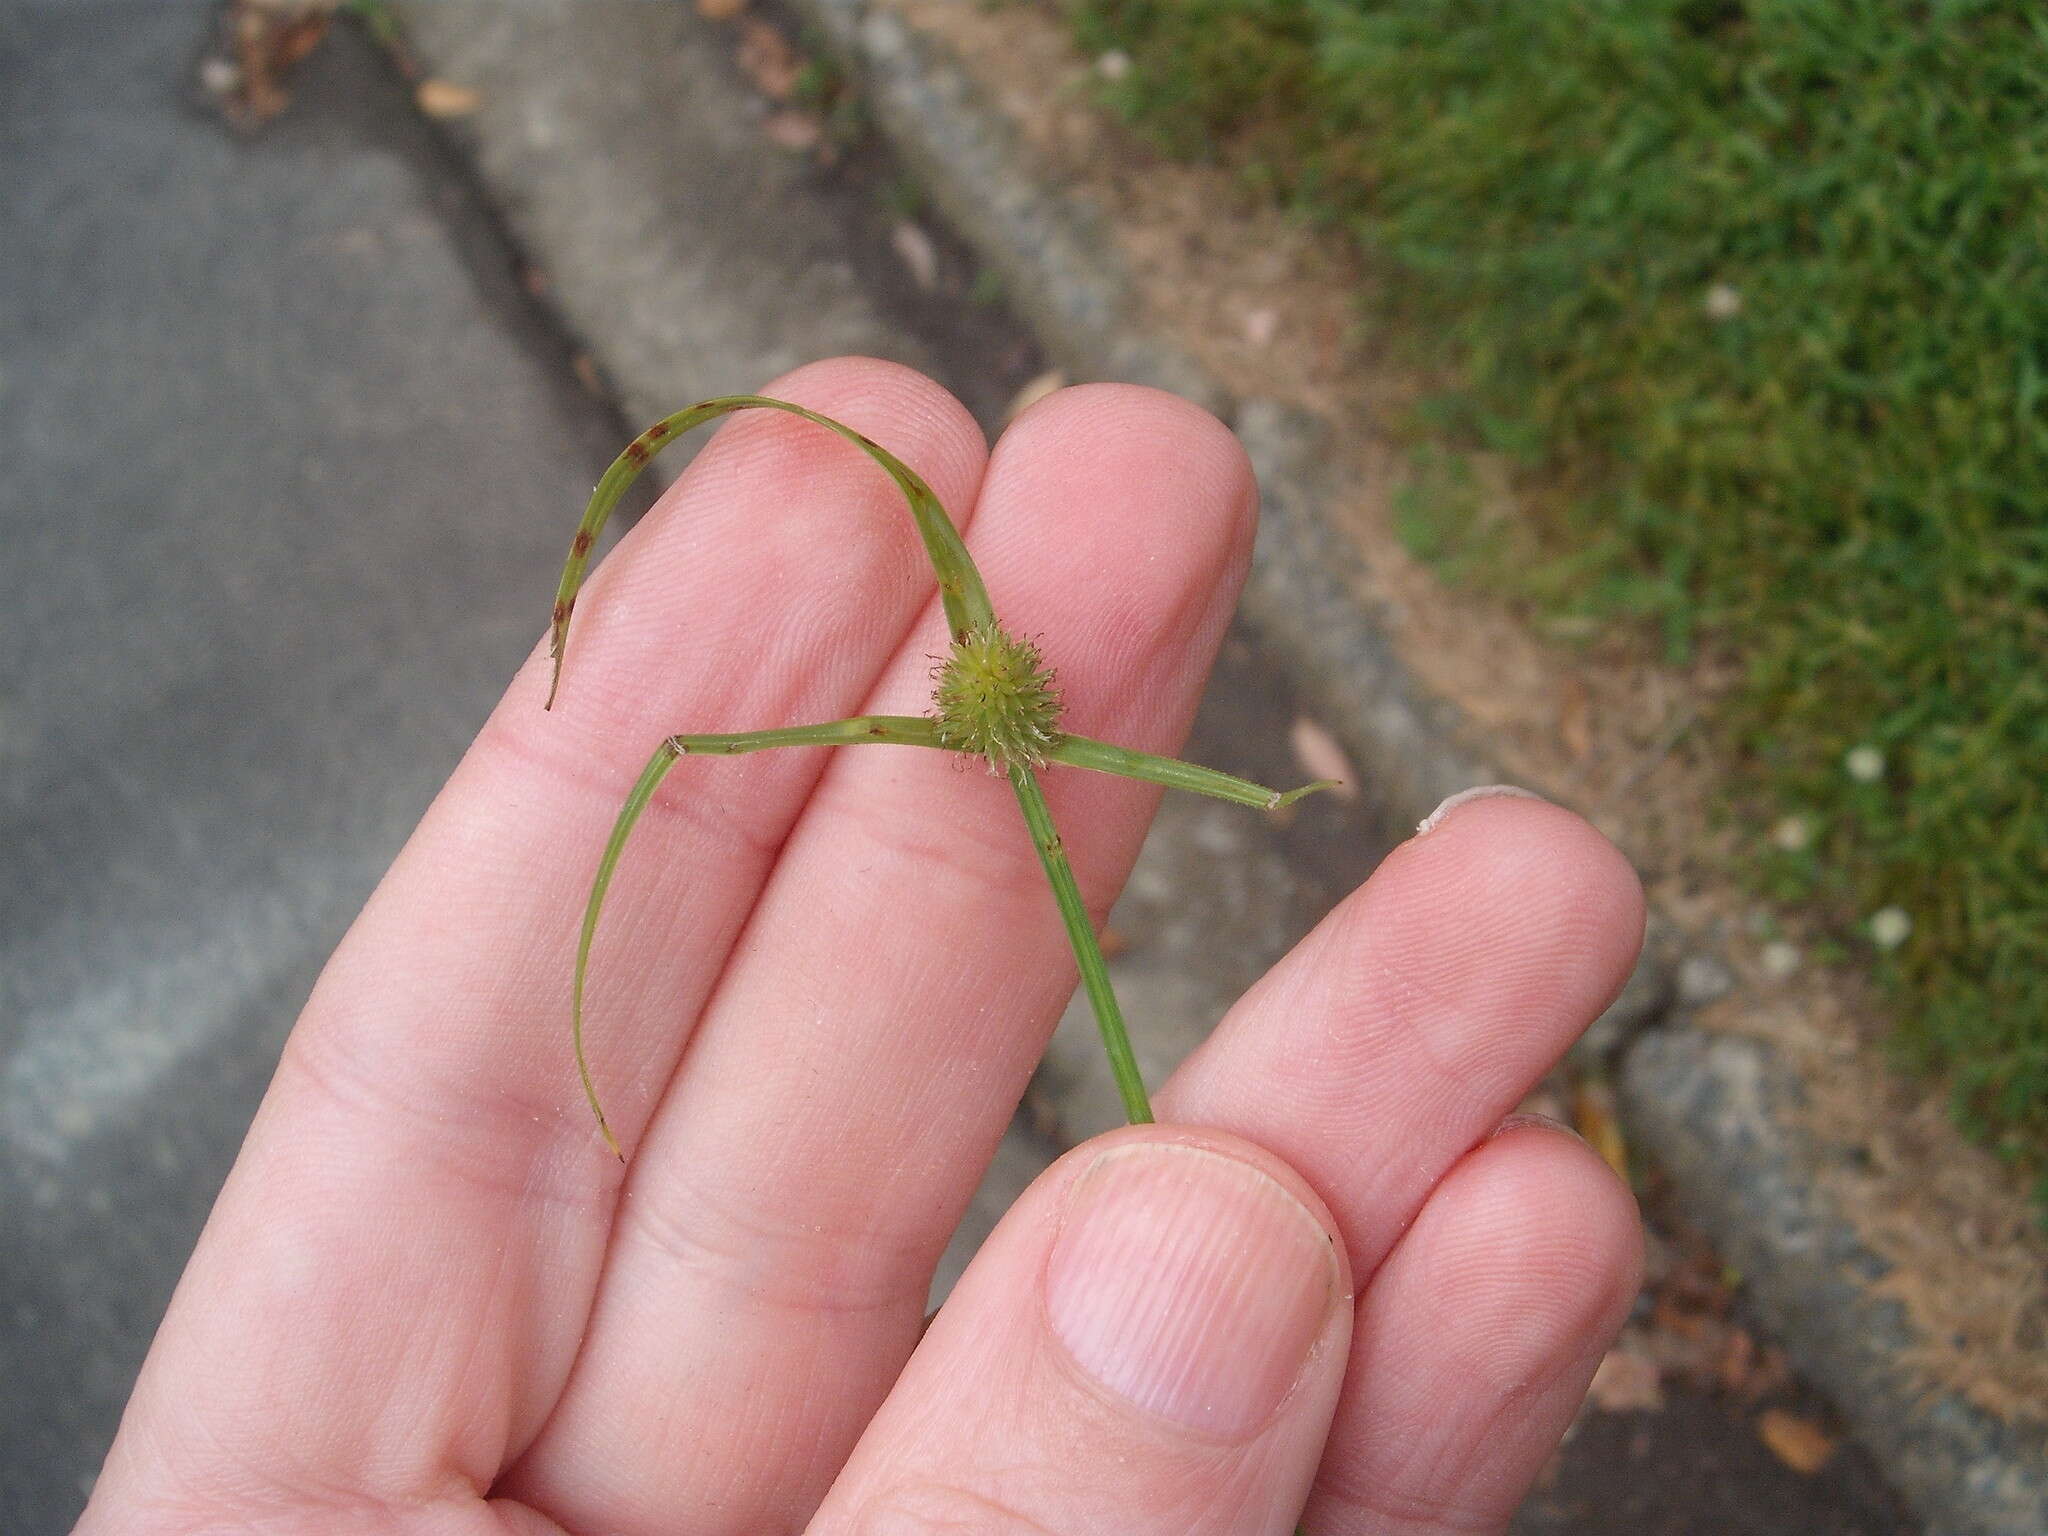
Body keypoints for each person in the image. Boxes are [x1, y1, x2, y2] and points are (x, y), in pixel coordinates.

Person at [76, 360, 1645, 1535]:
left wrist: (1267, 785)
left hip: (1017, 750)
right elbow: (685, 748)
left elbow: (708, 738)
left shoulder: (1002, 708)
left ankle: (1172, 1203)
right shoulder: (969, 707)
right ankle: (1169, 1206)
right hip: (996, 748)